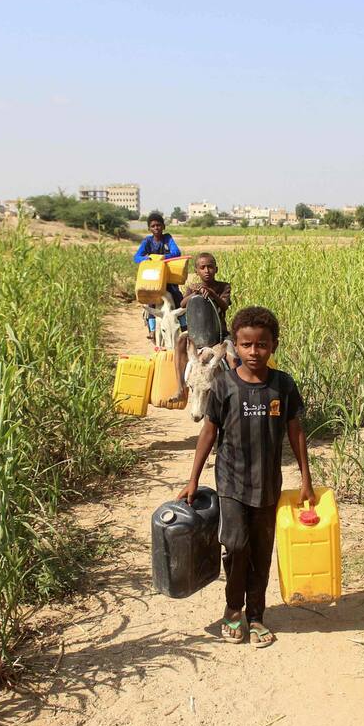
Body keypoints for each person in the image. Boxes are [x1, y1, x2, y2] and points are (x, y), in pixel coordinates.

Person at [178, 307, 315, 648]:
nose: (254, 352)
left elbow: (296, 432)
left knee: (261, 550)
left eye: (262, 345)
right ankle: (232, 606)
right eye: (246, 345)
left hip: (267, 485)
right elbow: (209, 432)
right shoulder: (224, 384)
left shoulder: (283, 385)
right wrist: (193, 478)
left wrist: (306, 479)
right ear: (235, 346)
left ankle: (255, 615)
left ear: (274, 346)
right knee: (236, 546)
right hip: (232, 483)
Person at [171, 252, 232, 401]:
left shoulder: (224, 286)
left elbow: (224, 306)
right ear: (196, 271)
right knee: (179, 342)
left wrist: (211, 293)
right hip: (196, 334)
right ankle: (180, 388)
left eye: (210, 267)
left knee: (232, 355)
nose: (206, 271)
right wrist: (195, 294)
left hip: (219, 333)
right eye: (202, 267)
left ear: (216, 269)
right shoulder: (193, 288)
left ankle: (235, 390)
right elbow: (182, 304)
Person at [135, 212, 184, 338]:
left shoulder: (167, 238)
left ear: (163, 227)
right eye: (153, 226)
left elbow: (176, 252)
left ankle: (184, 325)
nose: (156, 228)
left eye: (158, 225)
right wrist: (147, 259)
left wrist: (163, 257)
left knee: (178, 297)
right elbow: (136, 257)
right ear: (149, 228)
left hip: (167, 277)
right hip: (154, 277)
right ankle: (152, 330)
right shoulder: (147, 241)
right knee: (151, 301)